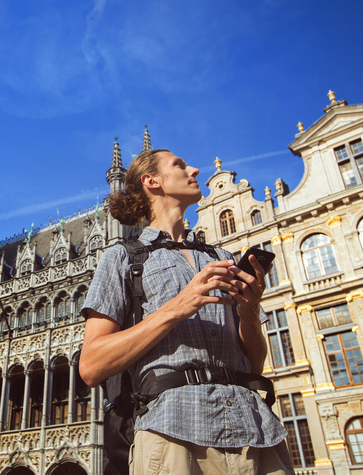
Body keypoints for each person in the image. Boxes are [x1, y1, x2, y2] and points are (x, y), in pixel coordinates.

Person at [79, 149, 293, 475]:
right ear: (151, 182)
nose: (193, 168)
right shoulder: (123, 257)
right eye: (179, 165)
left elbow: (255, 363)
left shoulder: (221, 257)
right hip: (172, 432)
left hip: (254, 430)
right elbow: (92, 366)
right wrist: (177, 307)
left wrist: (249, 311)